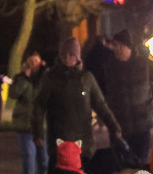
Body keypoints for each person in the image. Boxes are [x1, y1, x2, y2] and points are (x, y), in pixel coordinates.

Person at [32, 37, 122, 165]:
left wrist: (114, 126)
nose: (67, 58)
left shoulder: (86, 79)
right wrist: (38, 133)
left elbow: (101, 105)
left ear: (78, 57)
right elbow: (39, 106)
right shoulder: (51, 78)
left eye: (71, 55)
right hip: (59, 143)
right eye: (64, 55)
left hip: (83, 144)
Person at [101, 30, 153, 164]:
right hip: (119, 126)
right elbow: (100, 91)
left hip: (142, 125)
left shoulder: (145, 64)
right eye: (115, 46)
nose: (117, 49)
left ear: (128, 47)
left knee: (140, 164)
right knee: (121, 166)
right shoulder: (108, 67)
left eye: (120, 46)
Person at [10, 51, 49, 174]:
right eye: (30, 62)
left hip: (42, 124)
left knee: (44, 157)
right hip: (25, 124)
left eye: (36, 62)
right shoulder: (20, 78)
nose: (33, 65)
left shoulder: (46, 77)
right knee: (29, 155)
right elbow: (13, 93)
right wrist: (24, 77)